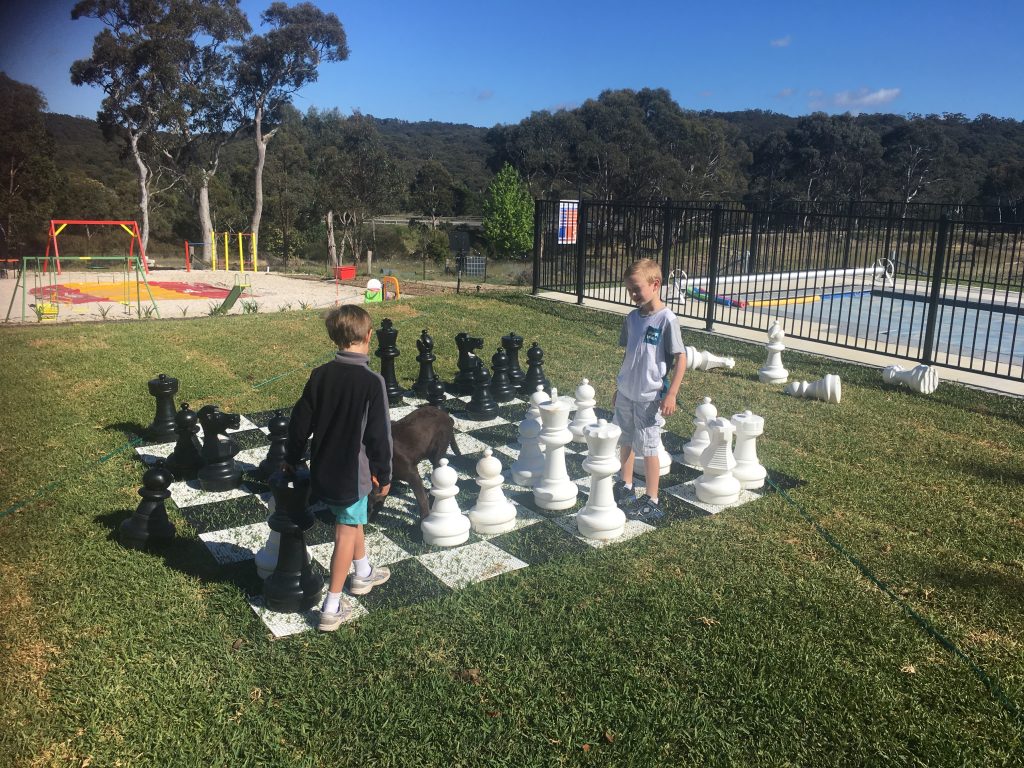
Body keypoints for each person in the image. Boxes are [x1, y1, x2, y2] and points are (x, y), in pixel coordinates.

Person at [284, 304, 393, 631]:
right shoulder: (372, 382)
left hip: (323, 469)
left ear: (334, 337)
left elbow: (300, 421)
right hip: (352, 475)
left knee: (351, 519)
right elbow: (380, 435)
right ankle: (331, 607)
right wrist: (385, 473)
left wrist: (291, 457)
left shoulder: (320, 374)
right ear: (369, 336)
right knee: (345, 532)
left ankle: (363, 572)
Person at [612, 258, 686, 519]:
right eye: (629, 290)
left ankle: (652, 498)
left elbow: (681, 358)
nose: (632, 295)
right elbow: (629, 355)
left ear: (655, 285)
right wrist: (619, 386)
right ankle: (626, 484)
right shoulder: (632, 318)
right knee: (626, 439)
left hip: (649, 395)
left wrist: (671, 393)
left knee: (649, 446)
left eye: (636, 289)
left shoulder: (667, 319)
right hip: (627, 391)